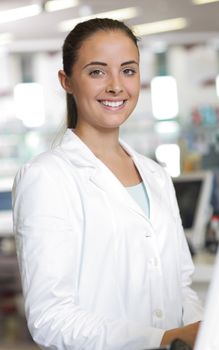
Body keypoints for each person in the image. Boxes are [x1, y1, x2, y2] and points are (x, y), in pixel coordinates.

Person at [12, 18, 202, 350]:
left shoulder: (155, 175)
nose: (116, 86)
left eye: (128, 71)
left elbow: (182, 285)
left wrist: (194, 334)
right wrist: (161, 339)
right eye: (97, 72)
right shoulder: (47, 177)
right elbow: (50, 317)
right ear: (67, 80)